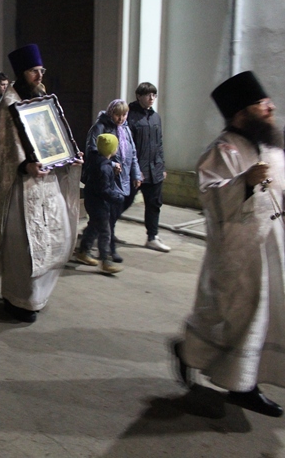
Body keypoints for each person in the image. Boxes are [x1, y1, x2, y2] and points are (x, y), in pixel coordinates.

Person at [172, 71, 285, 418]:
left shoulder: (269, 145)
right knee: (237, 316)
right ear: (240, 114)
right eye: (262, 105)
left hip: (273, 247)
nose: (271, 108)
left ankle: (242, 383)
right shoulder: (223, 150)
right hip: (239, 253)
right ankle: (233, 381)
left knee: (264, 317)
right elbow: (210, 196)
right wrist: (245, 183)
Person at [0, 44, 82, 323]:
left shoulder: (43, 98)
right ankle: (18, 300)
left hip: (47, 183)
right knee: (24, 247)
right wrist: (25, 164)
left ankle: (37, 297)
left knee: (56, 236)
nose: (39, 76)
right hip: (22, 187)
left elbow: (54, 137)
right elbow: (1, 150)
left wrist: (69, 155)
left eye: (41, 71)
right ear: (21, 74)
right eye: (34, 71)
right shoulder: (8, 105)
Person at [77, 99, 141, 264]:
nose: (120, 119)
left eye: (124, 115)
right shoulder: (100, 127)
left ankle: (85, 248)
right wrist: (110, 164)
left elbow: (132, 153)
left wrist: (136, 174)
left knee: (101, 220)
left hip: (123, 179)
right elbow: (92, 151)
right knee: (105, 221)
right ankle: (107, 255)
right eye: (117, 115)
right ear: (110, 113)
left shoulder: (125, 129)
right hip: (105, 180)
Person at [125, 82, 171, 252]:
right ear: (138, 96)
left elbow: (159, 144)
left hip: (155, 169)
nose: (151, 98)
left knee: (154, 203)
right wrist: (131, 170)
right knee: (123, 201)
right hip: (136, 171)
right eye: (147, 95)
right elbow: (126, 145)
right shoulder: (130, 116)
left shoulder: (155, 117)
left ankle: (152, 237)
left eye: (154, 95)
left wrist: (162, 166)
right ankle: (102, 230)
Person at [74, 134, 125, 274]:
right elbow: (104, 189)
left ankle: (83, 251)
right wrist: (117, 197)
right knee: (105, 232)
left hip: (93, 200)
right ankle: (105, 261)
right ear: (111, 149)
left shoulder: (98, 161)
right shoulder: (104, 167)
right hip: (99, 203)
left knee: (94, 226)